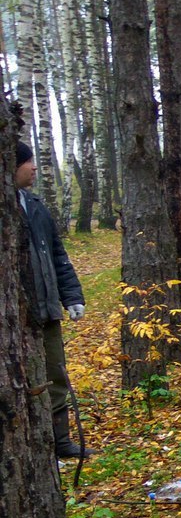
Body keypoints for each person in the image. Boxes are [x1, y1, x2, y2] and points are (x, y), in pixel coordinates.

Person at [16, 142, 92, 460]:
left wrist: (71, 296)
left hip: (46, 312)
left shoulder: (35, 205)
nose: (34, 167)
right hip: (15, 318)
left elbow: (57, 254)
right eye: (27, 162)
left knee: (55, 375)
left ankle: (59, 441)